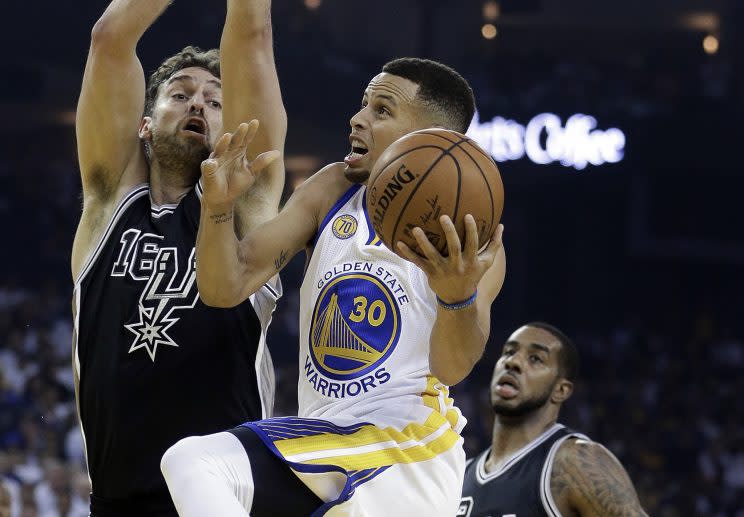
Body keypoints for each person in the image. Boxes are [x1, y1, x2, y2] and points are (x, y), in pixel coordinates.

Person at [160, 57, 507, 516]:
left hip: (404, 448)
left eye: (381, 110)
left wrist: (455, 295)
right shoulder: (332, 189)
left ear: (434, 140)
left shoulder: (470, 238)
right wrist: (218, 208)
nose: (357, 118)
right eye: (363, 104)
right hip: (329, 443)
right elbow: (225, 286)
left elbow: (451, 368)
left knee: (197, 463)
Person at [72, 0, 285, 514]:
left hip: (221, 499)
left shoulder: (245, 204)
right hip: (116, 500)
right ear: (144, 125)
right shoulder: (109, 202)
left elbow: (252, 32)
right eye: (181, 95)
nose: (198, 105)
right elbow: (110, 39)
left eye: (215, 102)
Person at [458, 322, 648, 517]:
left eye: (535, 359)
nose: (512, 362)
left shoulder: (574, 462)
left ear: (560, 390)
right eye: (509, 352)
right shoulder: (461, 475)